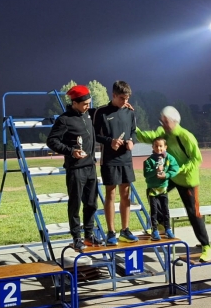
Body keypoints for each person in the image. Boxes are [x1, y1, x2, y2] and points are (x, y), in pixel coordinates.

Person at [136, 106, 211, 262]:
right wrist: (132, 124)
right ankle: (159, 224)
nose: (162, 124)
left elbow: (197, 159)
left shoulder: (186, 136)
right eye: (161, 121)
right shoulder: (163, 132)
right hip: (171, 176)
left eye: (165, 121)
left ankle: (207, 247)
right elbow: (147, 137)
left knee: (194, 214)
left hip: (187, 181)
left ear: (174, 121)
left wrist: (179, 169)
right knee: (153, 190)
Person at [46, 85, 99, 253]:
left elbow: (106, 110)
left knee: (91, 204)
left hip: (91, 167)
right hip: (75, 169)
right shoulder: (64, 119)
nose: (88, 106)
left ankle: (89, 234)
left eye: (89, 103)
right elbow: (52, 141)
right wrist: (71, 152)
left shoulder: (89, 115)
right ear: (74, 103)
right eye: (84, 104)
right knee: (75, 204)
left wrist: (123, 105)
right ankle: (77, 238)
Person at [92, 80, 138, 245]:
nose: (125, 102)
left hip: (126, 159)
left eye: (127, 99)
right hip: (109, 160)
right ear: (113, 95)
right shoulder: (101, 112)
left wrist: (132, 141)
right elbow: (94, 134)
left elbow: (133, 132)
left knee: (125, 195)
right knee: (110, 194)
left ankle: (125, 230)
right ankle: (111, 232)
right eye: (121, 99)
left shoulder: (130, 112)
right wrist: (109, 141)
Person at [143, 137, 180, 240]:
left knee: (165, 210)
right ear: (152, 147)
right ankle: (154, 230)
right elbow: (146, 174)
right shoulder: (149, 161)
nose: (158, 148)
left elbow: (175, 169)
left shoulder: (169, 158)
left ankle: (168, 229)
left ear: (165, 147)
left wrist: (166, 175)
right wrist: (155, 171)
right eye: (156, 146)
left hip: (163, 189)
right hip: (152, 190)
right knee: (154, 211)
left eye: (161, 146)